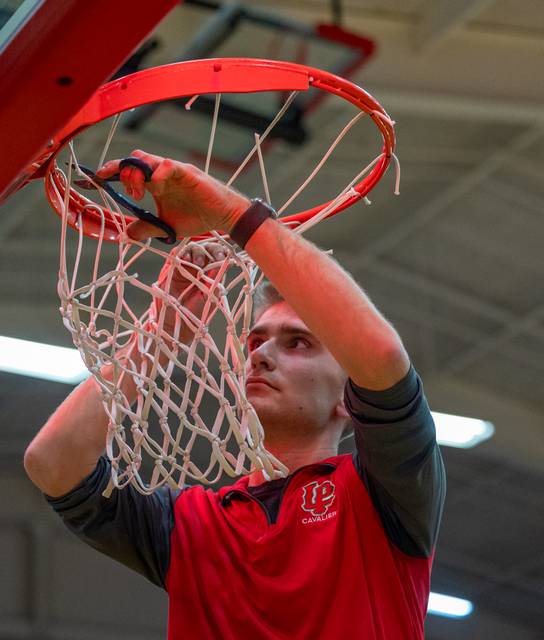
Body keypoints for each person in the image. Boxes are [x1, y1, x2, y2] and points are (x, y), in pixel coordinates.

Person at [24, 150, 446, 640]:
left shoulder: (386, 492)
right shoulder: (192, 522)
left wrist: (228, 211)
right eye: (256, 341)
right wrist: (161, 332)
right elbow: (51, 463)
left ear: (347, 399)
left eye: (298, 343)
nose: (263, 354)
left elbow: (381, 355)